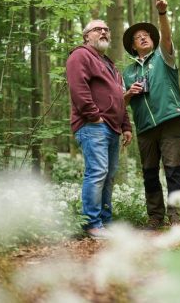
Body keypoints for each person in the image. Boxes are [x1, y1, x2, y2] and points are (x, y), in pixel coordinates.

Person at [122, 0, 180, 230]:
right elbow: (120, 103)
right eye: (138, 37)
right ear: (133, 45)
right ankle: (155, 218)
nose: (143, 38)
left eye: (147, 35)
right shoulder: (127, 72)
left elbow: (167, 36)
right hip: (145, 128)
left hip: (170, 120)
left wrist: (162, 13)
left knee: (173, 170)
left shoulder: (163, 57)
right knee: (150, 174)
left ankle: (177, 216)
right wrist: (129, 93)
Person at [66, 19, 133, 239]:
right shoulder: (80, 55)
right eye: (97, 29)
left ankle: (105, 221)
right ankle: (92, 223)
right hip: (93, 126)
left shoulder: (111, 65)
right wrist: (94, 116)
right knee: (97, 173)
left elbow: (120, 98)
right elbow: (79, 89)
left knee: (109, 175)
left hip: (112, 128)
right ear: (86, 36)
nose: (103, 32)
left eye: (106, 29)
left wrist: (126, 126)